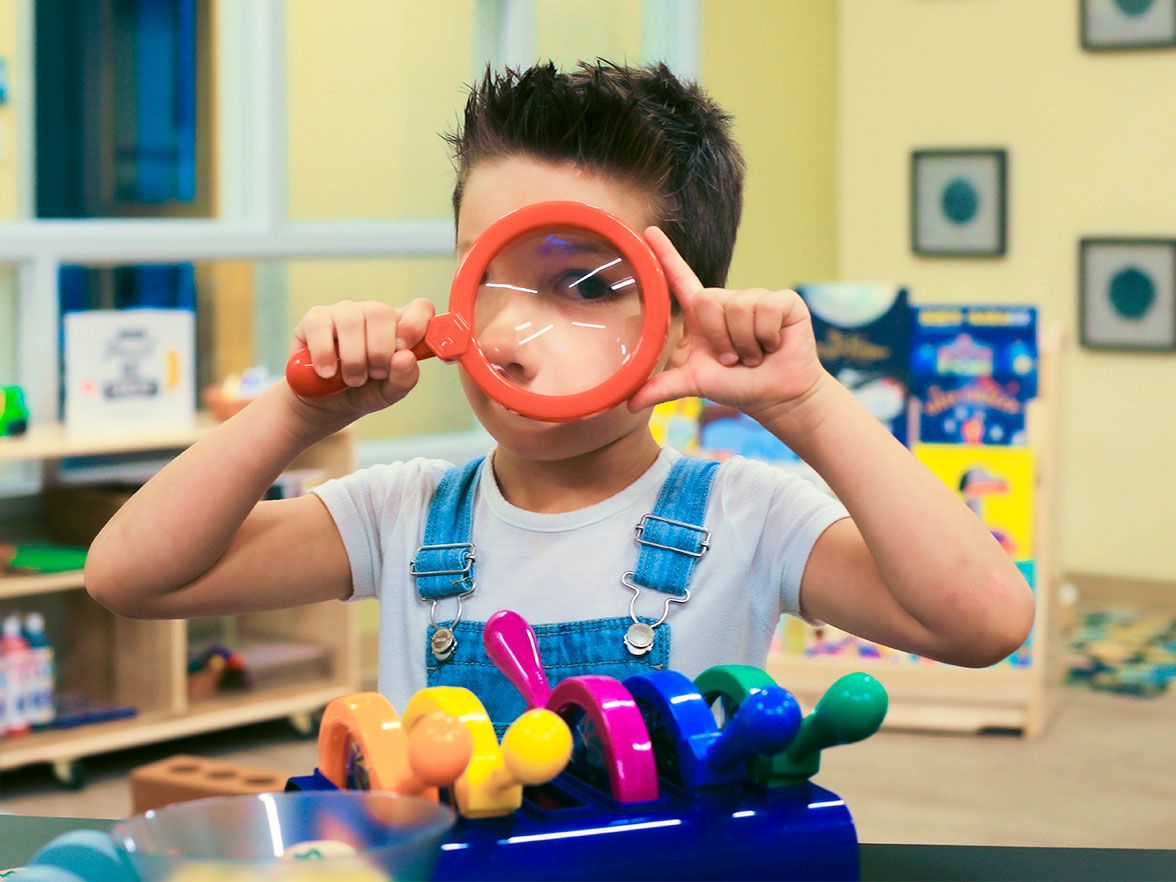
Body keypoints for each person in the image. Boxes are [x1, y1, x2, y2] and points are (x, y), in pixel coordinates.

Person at [86, 62, 1034, 729]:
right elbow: (130, 576)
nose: (504, 334)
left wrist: (807, 406)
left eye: (583, 286)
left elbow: (985, 619)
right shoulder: (403, 513)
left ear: (678, 318)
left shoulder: (747, 515)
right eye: (483, 276)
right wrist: (296, 414)